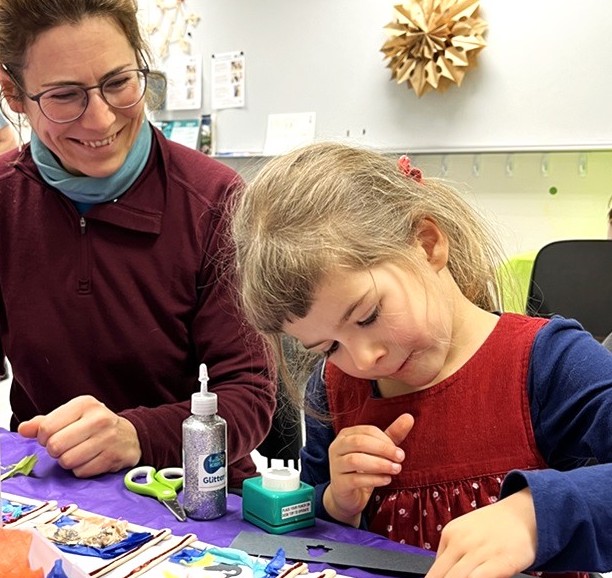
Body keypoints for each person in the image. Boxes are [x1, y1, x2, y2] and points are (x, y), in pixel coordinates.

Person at [230, 142, 612, 578]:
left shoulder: (549, 362)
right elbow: (314, 529)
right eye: (328, 347)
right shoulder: (335, 387)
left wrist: (538, 516)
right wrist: (336, 500)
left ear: (428, 244)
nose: (364, 358)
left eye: (368, 316)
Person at [0, 0, 276, 487]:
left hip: (196, 493)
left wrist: (136, 435)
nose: (102, 120)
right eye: (66, 95)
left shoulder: (214, 202)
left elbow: (249, 397)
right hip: (51, 490)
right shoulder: (4, 201)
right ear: (14, 94)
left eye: (118, 82)